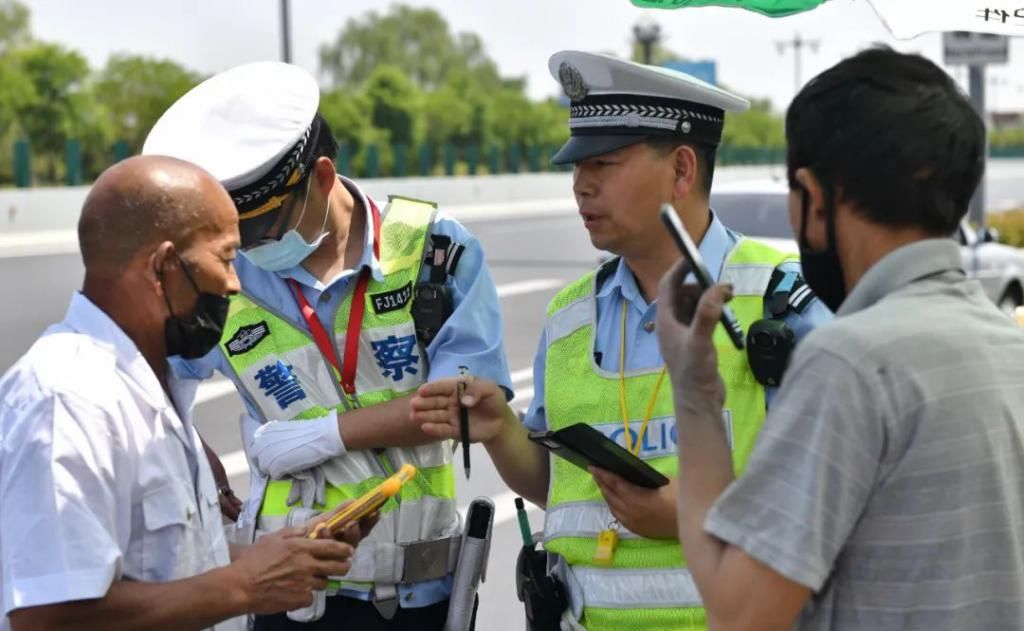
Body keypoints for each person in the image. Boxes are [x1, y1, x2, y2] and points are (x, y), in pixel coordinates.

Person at [410, 50, 830, 630]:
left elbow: (840, 494)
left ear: (683, 170)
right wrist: (501, 429)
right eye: (576, 168)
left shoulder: (782, 301)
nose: (581, 186)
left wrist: (695, 514)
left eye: (603, 163)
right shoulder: (569, 317)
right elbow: (563, 489)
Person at [657, 46, 1024, 630]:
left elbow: (739, 613)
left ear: (815, 196)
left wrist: (695, 393)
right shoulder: (1010, 348)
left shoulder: (851, 361)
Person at [142, 61, 511, 631]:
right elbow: (148, 392)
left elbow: (459, 405)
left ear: (321, 175)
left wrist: (319, 435)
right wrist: (203, 472)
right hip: (289, 596)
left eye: (263, 224)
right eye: (233, 231)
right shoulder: (219, 274)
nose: (249, 245)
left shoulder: (435, 249)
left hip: (418, 596)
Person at [0, 156, 372, 631]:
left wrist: (277, 556)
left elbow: (163, 565)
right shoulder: (66, 400)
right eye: (225, 258)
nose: (235, 284)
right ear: (164, 267)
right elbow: (49, 618)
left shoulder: (152, 387)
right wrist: (244, 587)